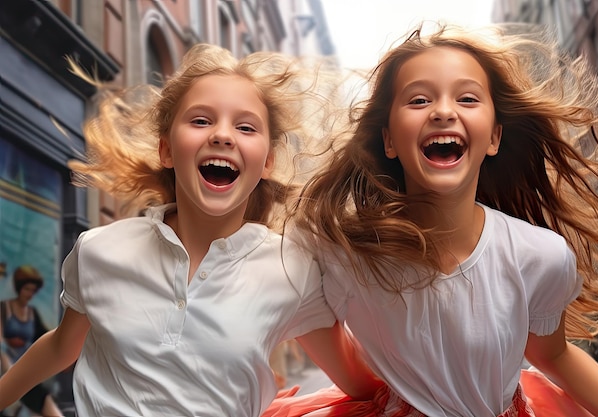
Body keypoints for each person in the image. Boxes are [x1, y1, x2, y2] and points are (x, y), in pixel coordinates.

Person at [0, 44, 381, 416]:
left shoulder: (292, 268)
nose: (222, 135)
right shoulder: (99, 249)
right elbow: (61, 347)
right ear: (167, 151)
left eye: (246, 126)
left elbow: (362, 384)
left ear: (267, 162)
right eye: (201, 120)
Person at [286, 23, 598, 416]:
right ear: (389, 141)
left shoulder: (540, 255)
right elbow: (353, 377)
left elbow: (556, 356)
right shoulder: (341, 254)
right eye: (418, 100)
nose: (444, 111)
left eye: (467, 98)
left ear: (494, 137)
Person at [1, 265, 63, 417]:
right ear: (19, 288)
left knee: (43, 400)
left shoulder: (32, 313)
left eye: (33, 290)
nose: (30, 294)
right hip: (6, 366)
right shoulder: (4, 308)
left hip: (25, 367)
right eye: (27, 289)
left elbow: (44, 338)